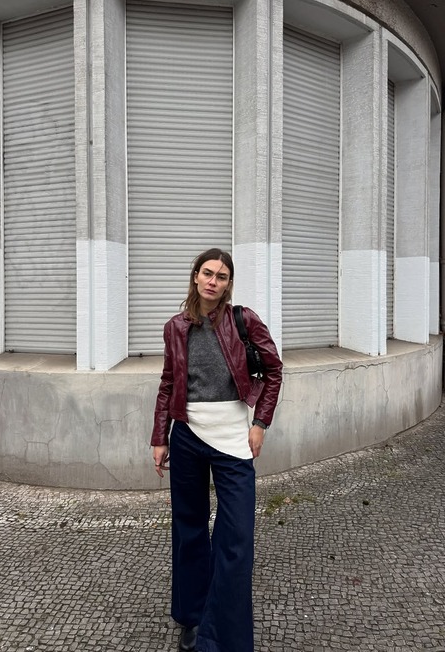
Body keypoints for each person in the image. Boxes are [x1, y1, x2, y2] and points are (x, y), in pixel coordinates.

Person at [150, 248, 283, 652]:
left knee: (237, 537)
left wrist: (260, 423)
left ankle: (222, 635)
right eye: (207, 273)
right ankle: (192, 617)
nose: (213, 281)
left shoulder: (244, 320)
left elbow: (274, 370)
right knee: (189, 529)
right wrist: (159, 437)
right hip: (187, 435)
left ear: (228, 284)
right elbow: (168, 382)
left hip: (233, 439)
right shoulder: (175, 327)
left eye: (221, 276)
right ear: (195, 276)